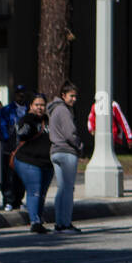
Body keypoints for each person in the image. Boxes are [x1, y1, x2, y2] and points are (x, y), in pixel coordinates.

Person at [10, 94, 54, 234]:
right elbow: (21, 133)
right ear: (31, 106)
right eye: (37, 105)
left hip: (46, 162)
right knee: (34, 190)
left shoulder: (48, 120)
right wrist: (27, 125)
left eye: (42, 105)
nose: (40, 108)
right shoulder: (27, 119)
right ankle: (34, 222)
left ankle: (38, 219)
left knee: (42, 193)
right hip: (28, 160)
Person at [48, 82, 82, 233]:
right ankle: (66, 223)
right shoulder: (64, 110)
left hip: (55, 150)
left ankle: (59, 223)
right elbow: (70, 133)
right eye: (71, 96)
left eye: (75, 96)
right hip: (67, 151)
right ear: (63, 95)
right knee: (68, 189)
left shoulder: (53, 109)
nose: (74, 99)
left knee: (61, 188)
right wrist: (79, 146)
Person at [0, 86, 29, 211]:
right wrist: (7, 140)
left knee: (21, 175)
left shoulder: (28, 109)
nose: (21, 97)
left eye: (23, 94)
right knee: (8, 175)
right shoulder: (7, 110)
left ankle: (18, 199)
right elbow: (2, 126)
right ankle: (8, 200)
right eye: (18, 94)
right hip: (10, 147)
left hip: (23, 147)